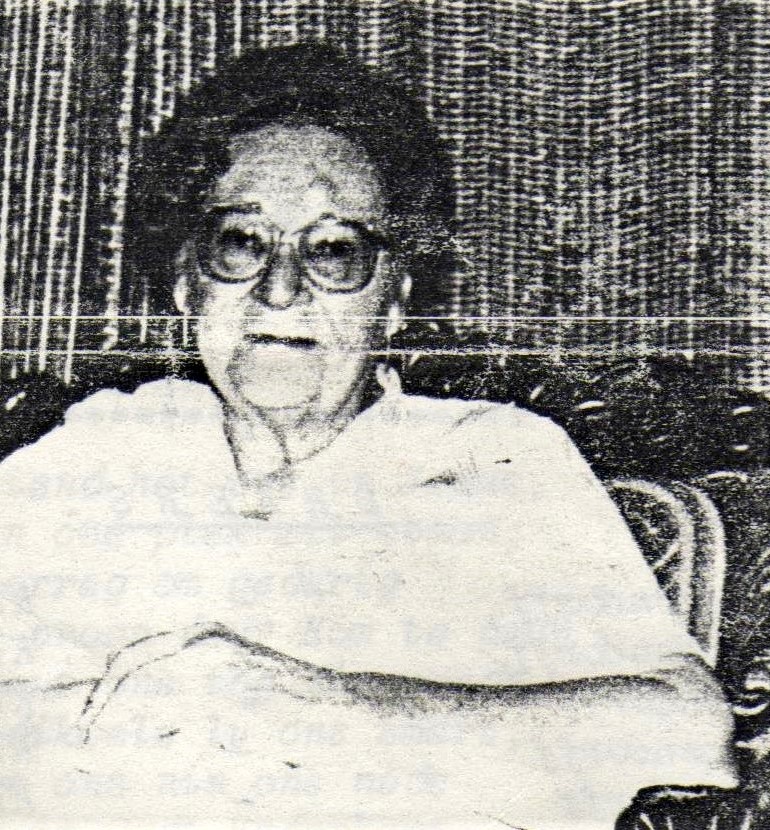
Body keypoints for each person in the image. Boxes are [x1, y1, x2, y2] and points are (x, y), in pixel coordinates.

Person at [0, 44, 735, 828]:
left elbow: (689, 730)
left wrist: (322, 705)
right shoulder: (107, 445)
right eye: (240, 242)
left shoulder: (490, 457)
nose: (280, 290)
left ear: (395, 299)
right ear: (186, 282)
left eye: (334, 252)